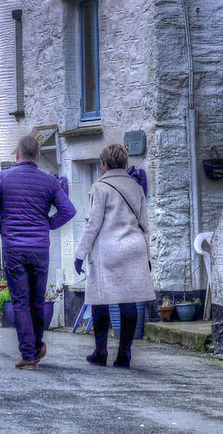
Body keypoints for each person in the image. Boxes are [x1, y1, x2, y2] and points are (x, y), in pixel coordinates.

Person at [0, 136, 76, 370]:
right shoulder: (48, 181)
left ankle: (28, 355)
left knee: (21, 302)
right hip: (39, 249)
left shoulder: (3, 178)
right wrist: (48, 224)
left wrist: (1, 230)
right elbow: (68, 210)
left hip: (14, 249)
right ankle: (37, 346)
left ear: (17, 154)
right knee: (37, 300)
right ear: (38, 156)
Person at [74, 144, 156, 368]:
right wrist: (147, 257)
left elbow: (93, 224)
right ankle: (124, 353)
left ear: (104, 164)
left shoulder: (99, 187)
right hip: (134, 248)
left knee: (100, 300)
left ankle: (100, 352)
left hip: (109, 250)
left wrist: (80, 254)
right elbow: (145, 225)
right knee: (128, 300)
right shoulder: (136, 187)